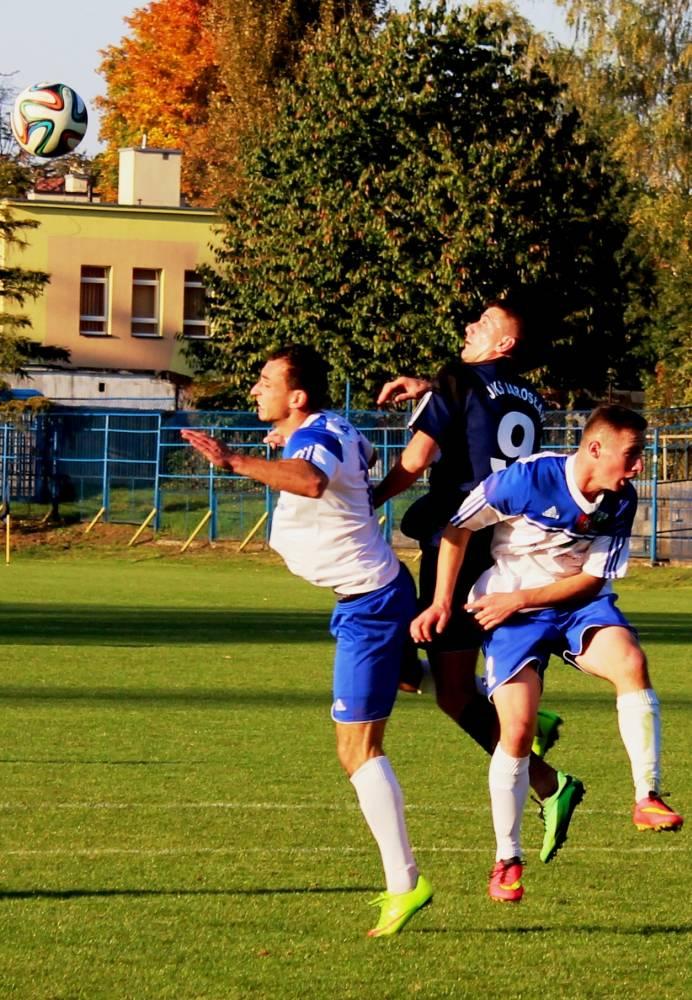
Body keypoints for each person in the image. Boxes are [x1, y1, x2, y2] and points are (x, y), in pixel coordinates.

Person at [181, 344, 431, 938]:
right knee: (409, 678)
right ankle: (513, 715)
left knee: (356, 752)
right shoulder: (331, 426)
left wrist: (236, 461)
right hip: (379, 591)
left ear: (297, 397)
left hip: (369, 603)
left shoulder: (314, 439)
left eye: (265, 382)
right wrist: (285, 445)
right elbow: (354, 459)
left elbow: (314, 480)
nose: (254, 391)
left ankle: (406, 884)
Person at [411, 404, 684, 902]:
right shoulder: (527, 480)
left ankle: (646, 796)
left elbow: (592, 579)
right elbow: (457, 530)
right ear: (595, 449)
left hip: (573, 603)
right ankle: (506, 860)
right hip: (511, 611)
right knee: (515, 729)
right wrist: (442, 602)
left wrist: (523, 598)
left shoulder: (620, 499)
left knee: (631, 663)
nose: (639, 466)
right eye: (633, 454)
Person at [375, 299, 584, 863]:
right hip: (508, 545)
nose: (469, 326)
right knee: (426, 665)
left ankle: (547, 781)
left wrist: (365, 498)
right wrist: (431, 387)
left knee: (441, 682)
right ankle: (528, 724)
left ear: (503, 346)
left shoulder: (457, 381)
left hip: (461, 545)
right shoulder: (528, 399)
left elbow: (417, 460)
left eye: (484, 324)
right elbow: (484, 415)